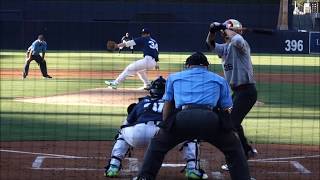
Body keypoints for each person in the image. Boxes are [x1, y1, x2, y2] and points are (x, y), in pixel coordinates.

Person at [135, 52, 251, 180]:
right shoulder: (219, 79)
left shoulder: (174, 77)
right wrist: (227, 130)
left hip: (182, 119)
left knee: (157, 145)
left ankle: (145, 177)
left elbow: (168, 105)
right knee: (233, 147)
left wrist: (164, 127)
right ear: (207, 66)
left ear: (188, 65)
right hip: (210, 119)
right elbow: (226, 109)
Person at [104, 76, 208, 179]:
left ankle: (113, 166)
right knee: (190, 136)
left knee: (122, 133)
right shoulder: (174, 103)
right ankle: (192, 169)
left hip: (139, 134)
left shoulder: (142, 102)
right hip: (163, 135)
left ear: (152, 90)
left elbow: (127, 122)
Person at [205, 19, 258, 170]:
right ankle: (246, 150)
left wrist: (225, 28)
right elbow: (209, 44)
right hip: (237, 92)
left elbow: (237, 40)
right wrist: (212, 30)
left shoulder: (242, 45)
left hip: (247, 91)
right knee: (232, 122)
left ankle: (237, 159)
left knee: (231, 125)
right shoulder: (225, 48)